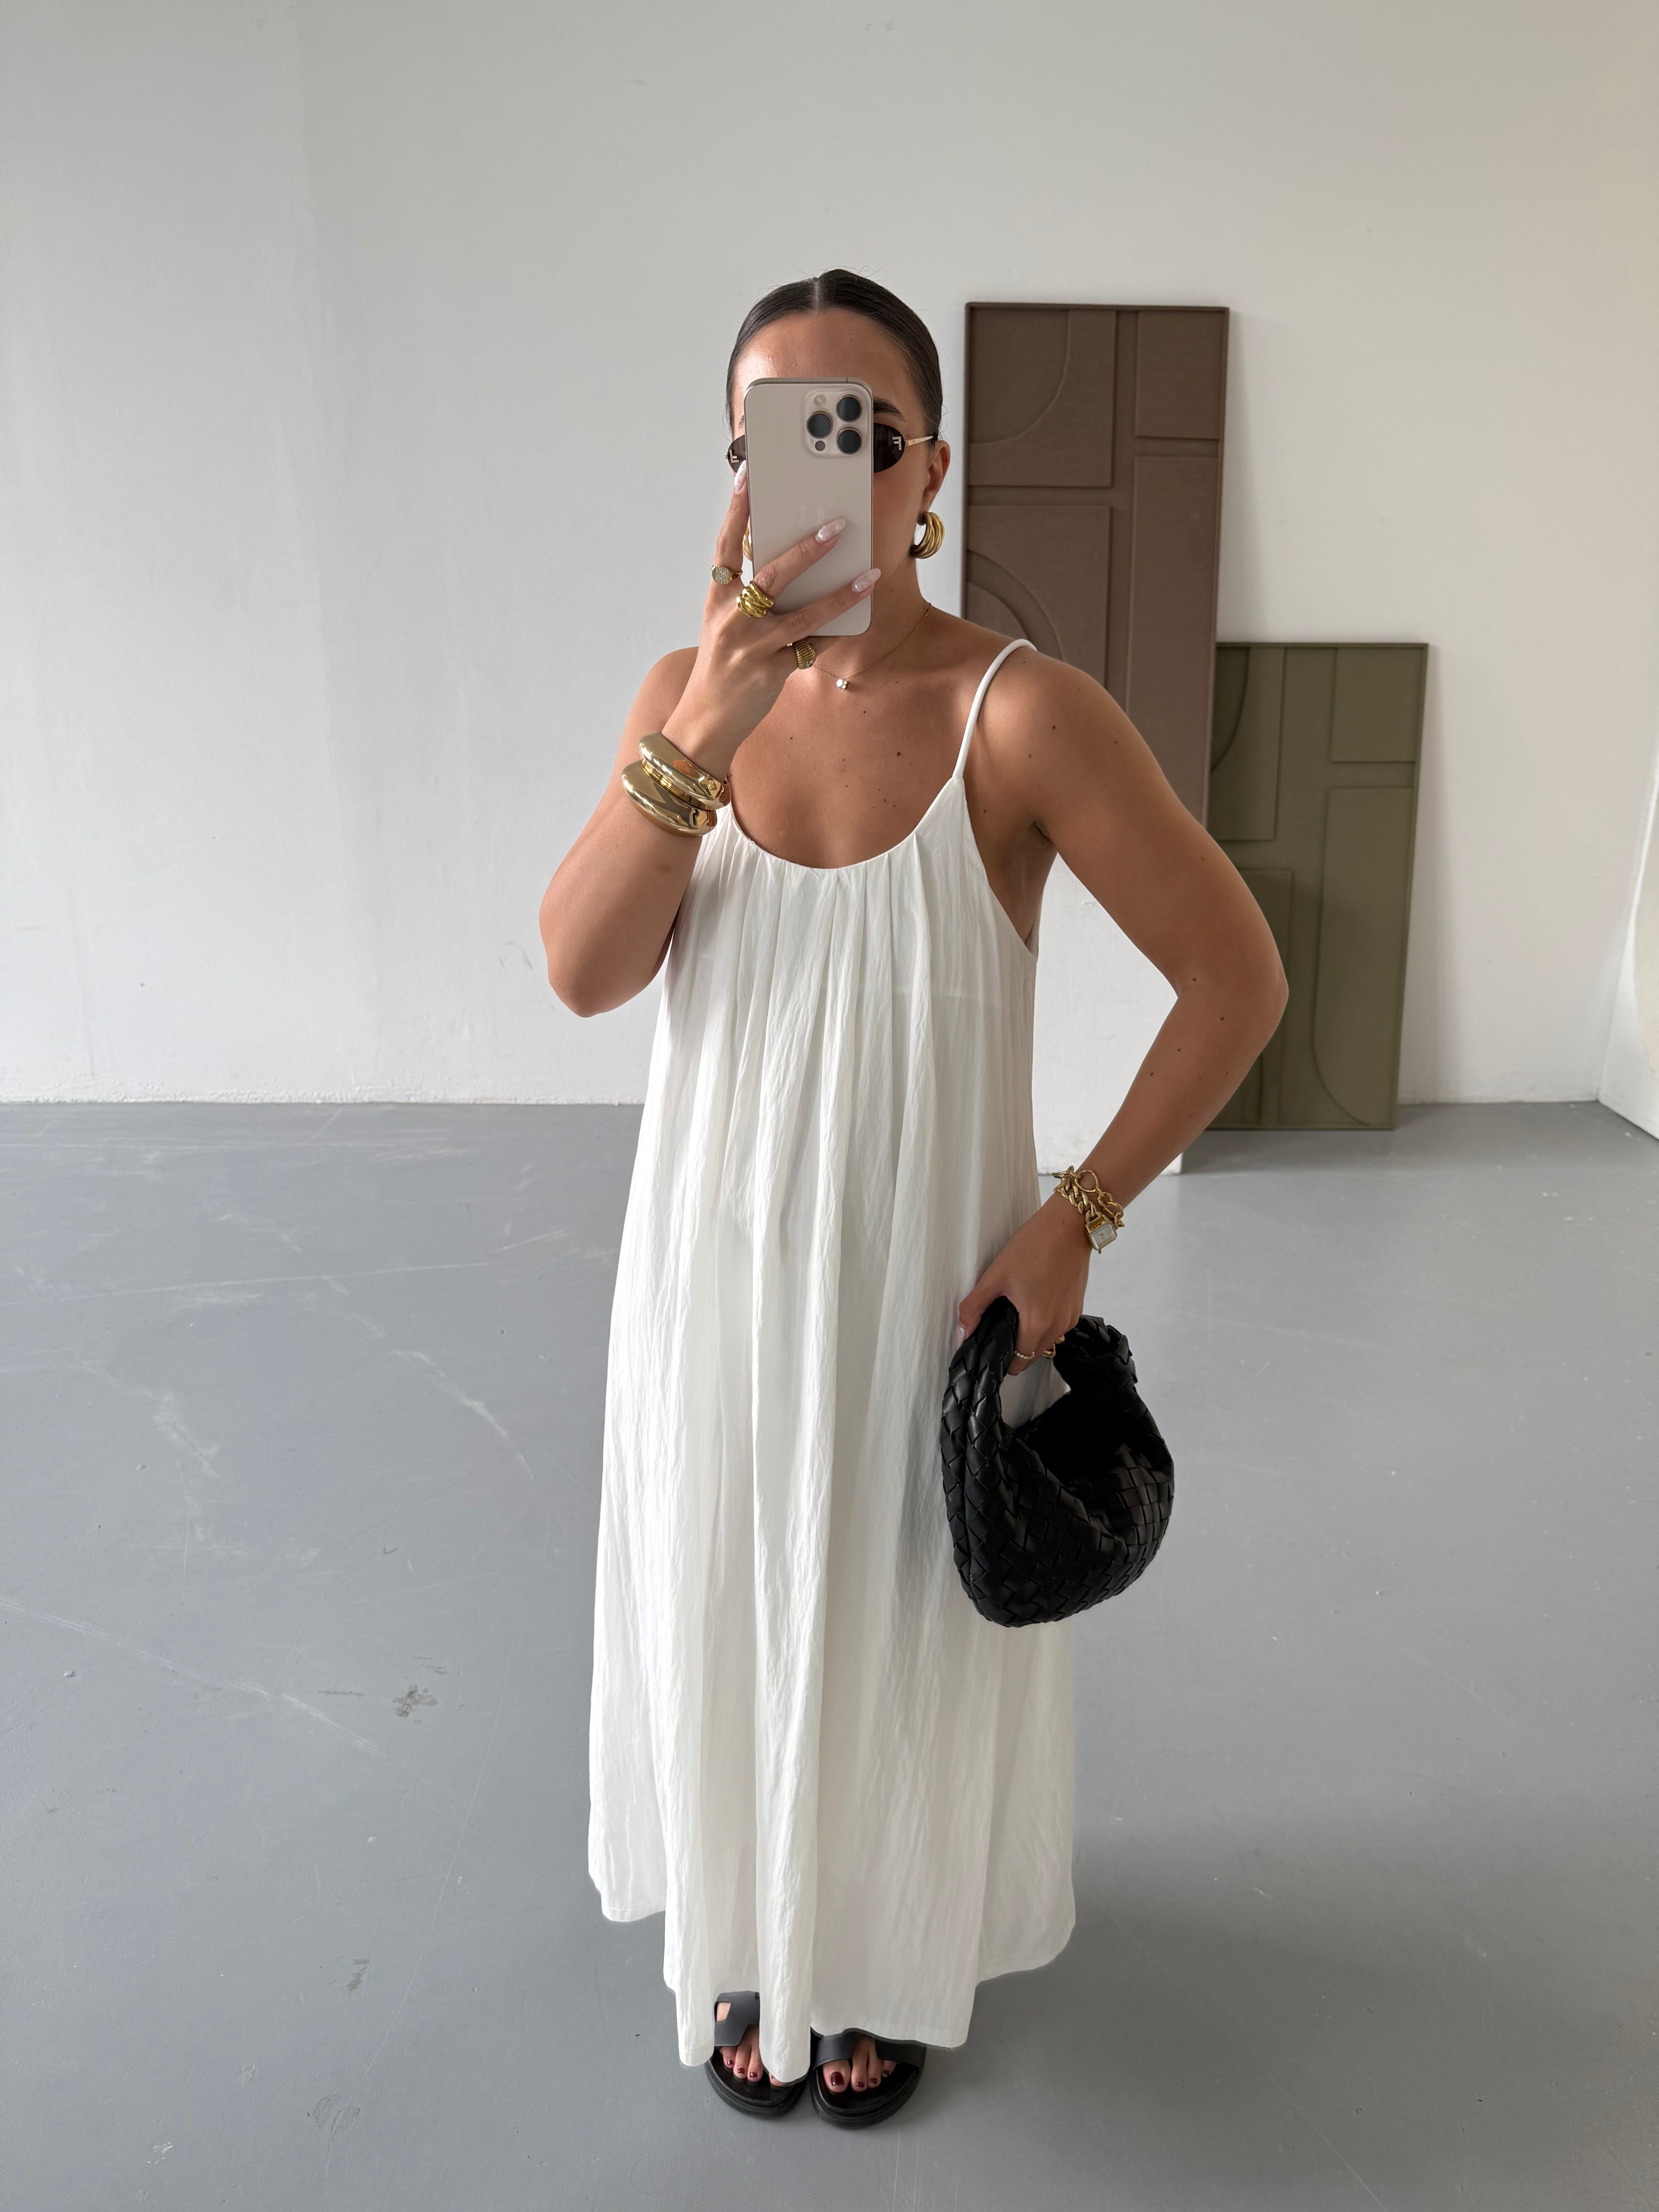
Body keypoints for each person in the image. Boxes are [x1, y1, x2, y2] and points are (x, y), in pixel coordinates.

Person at [539, 270, 1287, 2125]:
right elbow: (582, 971)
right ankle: (758, 1931)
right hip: (709, 1281)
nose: (813, 474)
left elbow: (1236, 978)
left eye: (856, 434)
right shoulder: (680, 704)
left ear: (929, 469)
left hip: (920, 1289)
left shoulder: (1018, 717)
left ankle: (875, 1959)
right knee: (730, 1588)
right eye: (768, 436)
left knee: (894, 1623)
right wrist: (711, 718)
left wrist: (1079, 1215)